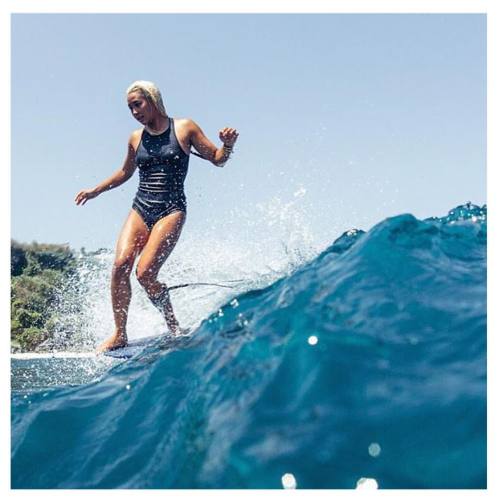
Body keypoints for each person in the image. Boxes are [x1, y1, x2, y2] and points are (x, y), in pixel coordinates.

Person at [75, 80, 239, 352]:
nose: (134, 112)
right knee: (120, 265)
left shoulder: (185, 127)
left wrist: (228, 146)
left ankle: (173, 325)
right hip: (141, 206)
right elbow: (125, 172)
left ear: (152, 100)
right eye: (130, 108)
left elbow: (217, 159)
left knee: (145, 274)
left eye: (137, 104)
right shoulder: (135, 138)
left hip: (171, 209)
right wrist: (96, 190)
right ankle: (119, 334)